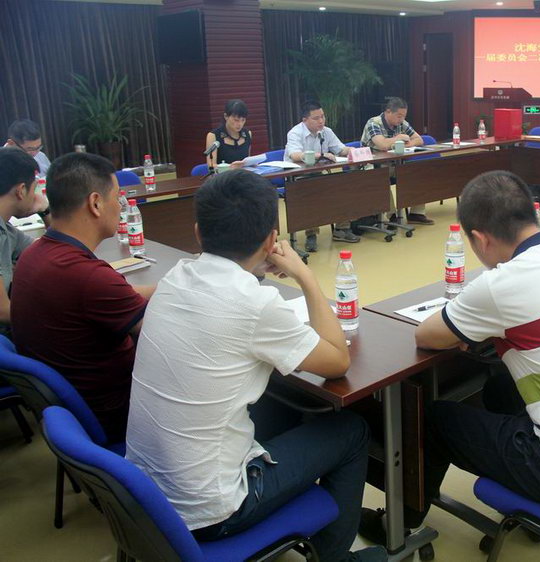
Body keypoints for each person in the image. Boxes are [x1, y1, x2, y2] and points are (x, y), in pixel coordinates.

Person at [361, 170, 540, 542]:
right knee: (500, 386)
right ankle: (533, 517)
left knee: (433, 418)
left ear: (481, 239)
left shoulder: (500, 285)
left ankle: (401, 525)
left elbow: (427, 335)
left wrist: (473, 328)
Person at [126, 170, 384, 562]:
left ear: (198, 233)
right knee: (351, 429)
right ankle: (336, 557)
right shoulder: (254, 304)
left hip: (145, 497)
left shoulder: (176, 276)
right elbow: (337, 360)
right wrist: (305, 276)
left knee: (279, 405)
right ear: (270, 239)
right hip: (210, 512)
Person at [10, 153, 155, 442]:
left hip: (74, 413)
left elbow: (119, 295)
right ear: (95, 203)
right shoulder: (87, 276)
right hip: (122, 413)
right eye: (117, 196)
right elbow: (164, 332)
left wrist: (174, 284)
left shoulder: (35, 254)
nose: (121, 205)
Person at [284, 101, 358, 251]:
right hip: (297, 177)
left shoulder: (326, 132)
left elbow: (340, 149)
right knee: (312, 191)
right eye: (316, 118)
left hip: (318, 174)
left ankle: (341, 229)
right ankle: (311, 235)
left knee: (344, 185)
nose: (321, 121)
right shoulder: (295, 133)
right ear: (305, 120)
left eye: (322, 117)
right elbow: (294, 155)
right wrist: (320, 155)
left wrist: (354, 151)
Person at [361, 97, 432, 225]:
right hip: (372, 167)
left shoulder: (402, 123)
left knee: (417, 173)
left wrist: (407, 144)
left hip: (395, 164)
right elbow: (382, 144)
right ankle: (392, 215)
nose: (401, 119)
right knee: (381, 177)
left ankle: (416, 214)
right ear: (388, 112)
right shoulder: (373, 123)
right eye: (399, 116)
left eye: (404, 116)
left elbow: (419, 140)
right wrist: (398, 138)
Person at [0, 148, 46, 335]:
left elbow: (49, 252)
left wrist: (45, 211)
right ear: (21, 191)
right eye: (34, 189)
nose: (35, 197)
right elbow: (2, 311)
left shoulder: (5, 228)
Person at [205, 99, 252, 170]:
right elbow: (211, 166)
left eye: (243, 120)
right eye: (236, 120)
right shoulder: (213, 136)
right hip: (224, 176)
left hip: (244, 174)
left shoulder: (247, 134)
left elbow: (247, 160)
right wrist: (230, 167)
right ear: (226, 116)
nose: (240, 124)